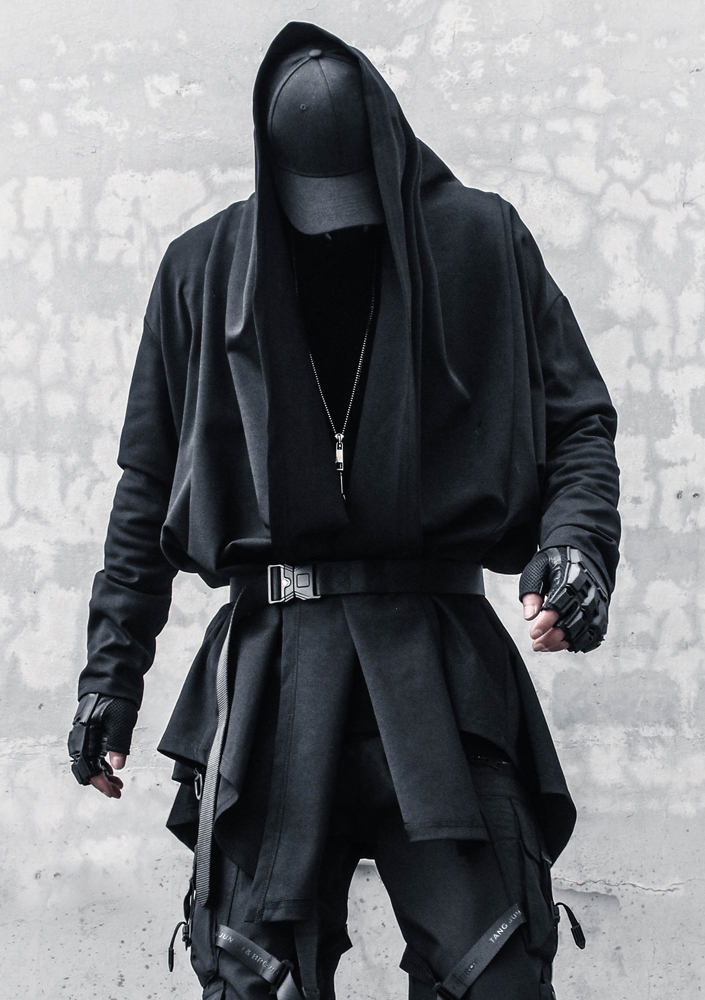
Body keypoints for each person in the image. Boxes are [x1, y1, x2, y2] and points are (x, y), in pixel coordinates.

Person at [67, 21, 619, 1000]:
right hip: (272, 674)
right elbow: (146, 484)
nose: (336, 228)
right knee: (251, 979)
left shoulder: (482, 241)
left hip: (441, 666)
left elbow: (577, 422)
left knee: (498, 973)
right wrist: (110, 677)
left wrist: (576, 548)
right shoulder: (202, 269)